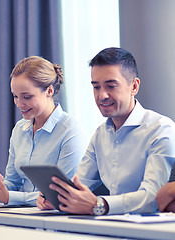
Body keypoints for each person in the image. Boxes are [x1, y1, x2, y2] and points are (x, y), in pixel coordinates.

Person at [37, 47, 175, 215]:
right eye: (96, 87)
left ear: (134, 86)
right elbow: (80, 184)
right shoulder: (100, 135)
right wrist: (59, 198)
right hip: (112, 226)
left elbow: (153, 198)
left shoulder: (161, 129)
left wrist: (99, 204)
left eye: (111, 86)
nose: (102, 95)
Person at [0, 56, 85, 206]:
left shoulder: (70, 130)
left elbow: (61, 193)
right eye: (15, 96)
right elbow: (13, 183)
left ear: (49, 91)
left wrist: (9, 197)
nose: (19, 104)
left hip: (56, 220)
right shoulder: (19, 129)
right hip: (24, 216)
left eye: (27, 97)